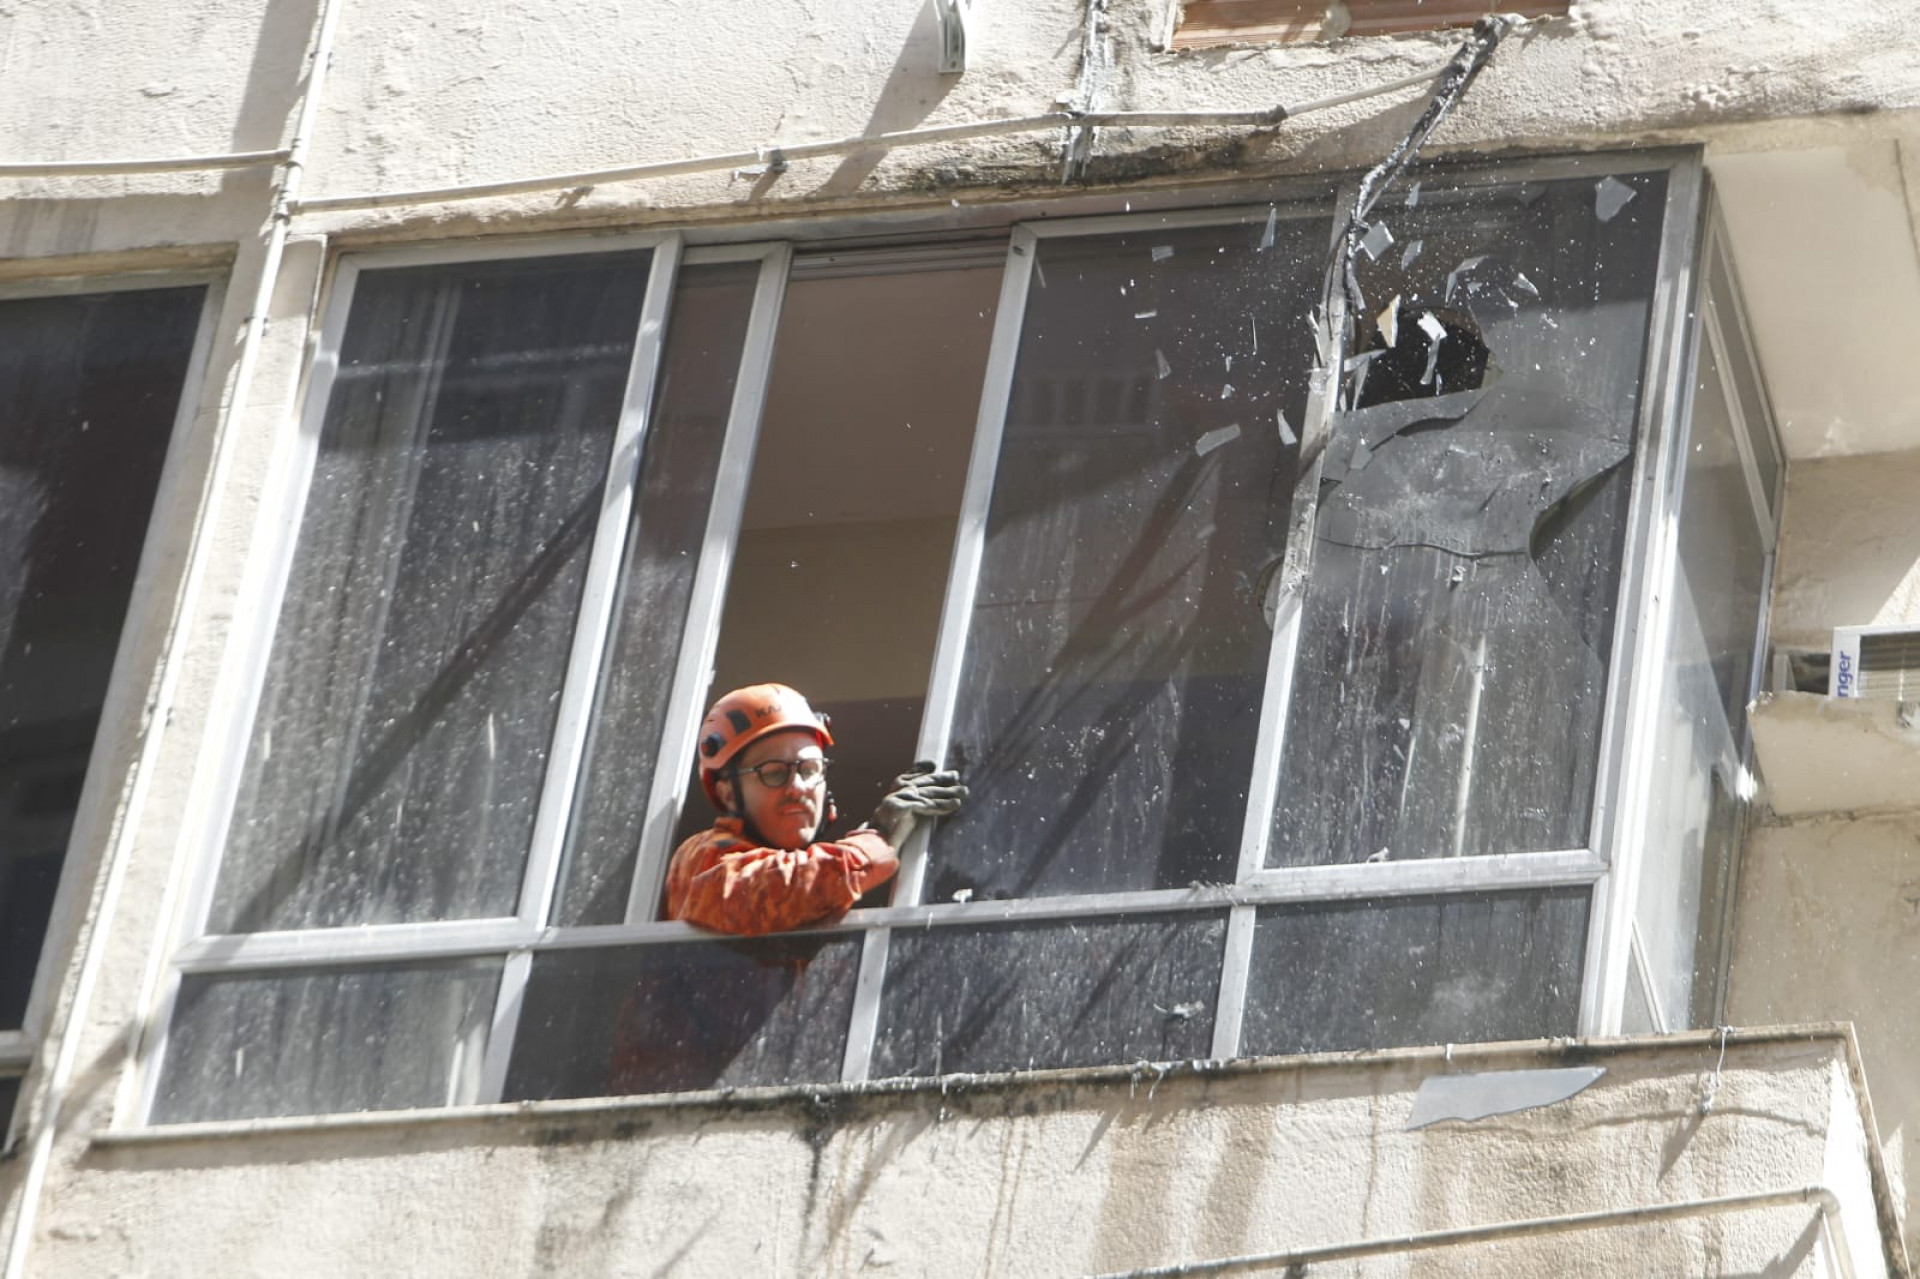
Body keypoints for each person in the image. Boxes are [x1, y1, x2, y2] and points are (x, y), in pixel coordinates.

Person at [665, 683, 966, 936]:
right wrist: (880, 835)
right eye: (773, 773)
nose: (798, 787)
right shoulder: (702, 858)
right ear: (728, 794)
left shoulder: (809, 901)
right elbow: (774, 889)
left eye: (809, 770)